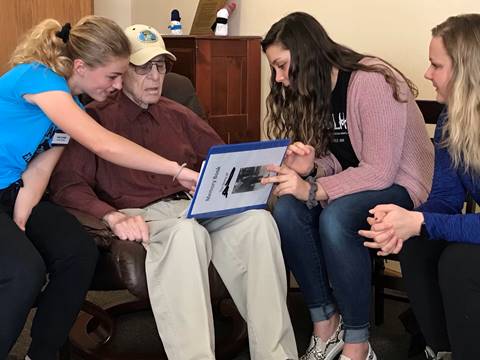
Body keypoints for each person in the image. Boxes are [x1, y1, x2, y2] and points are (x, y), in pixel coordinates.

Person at [49, 24, 298, 360]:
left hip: (192, 207)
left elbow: (220, 160)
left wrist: (257, 172)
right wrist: (111, 216)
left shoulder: (178, 114)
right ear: (122, 71)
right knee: (186, 234)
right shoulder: (93, 118)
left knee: (258, 223)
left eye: (161, 66)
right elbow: (67, 187)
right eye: (143, 68)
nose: (155, 77)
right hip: (144, 215)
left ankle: (276, 355)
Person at [0, 16, 198, 360]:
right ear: (81, 66)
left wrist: (20, 222)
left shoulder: (72, 107)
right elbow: (104, 145)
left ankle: (41, 354)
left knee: (79, 253)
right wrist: (175, 171)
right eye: (113, 76)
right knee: (25, 271)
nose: (119, 86)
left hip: (12, 191)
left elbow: (38, 170)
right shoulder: (38, 77)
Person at [260, 12, 434, 360]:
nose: (278, 79)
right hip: (359, 183)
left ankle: (358, 343)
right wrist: (311, 167)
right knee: (287, 207)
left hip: (403, 183)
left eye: (281, 66)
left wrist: (312, 189)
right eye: (274, 70)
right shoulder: (315, 90)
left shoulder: (371, 80)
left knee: (336, 217)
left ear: (306, 53)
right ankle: (325, 323)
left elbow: (380, 171)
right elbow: (340, 159)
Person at [360, 14, 480, 360]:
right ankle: (442, 350)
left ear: (467, 70)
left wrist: (421, 222)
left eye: (435, 65)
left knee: (461, 262)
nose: (427, 74)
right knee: (417, 246)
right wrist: (404, 222)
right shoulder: (451, 119)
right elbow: (445, 199)